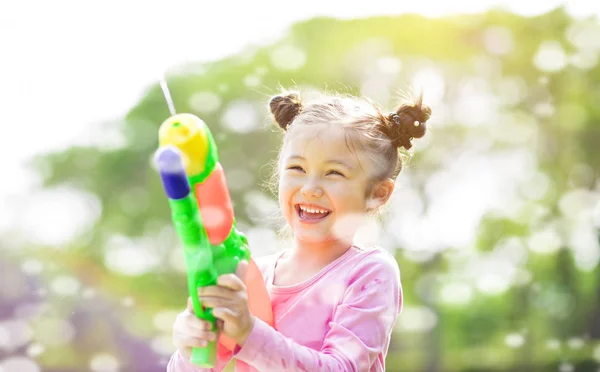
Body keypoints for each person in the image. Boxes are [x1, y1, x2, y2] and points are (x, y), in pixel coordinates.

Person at [167, 89, 432, 371]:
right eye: (296, 168)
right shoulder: (251, 274)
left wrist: (249, 333)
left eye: (334, 173)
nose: (310, 188)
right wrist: (191, 348)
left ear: (378, 193)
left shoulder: (369, 272)